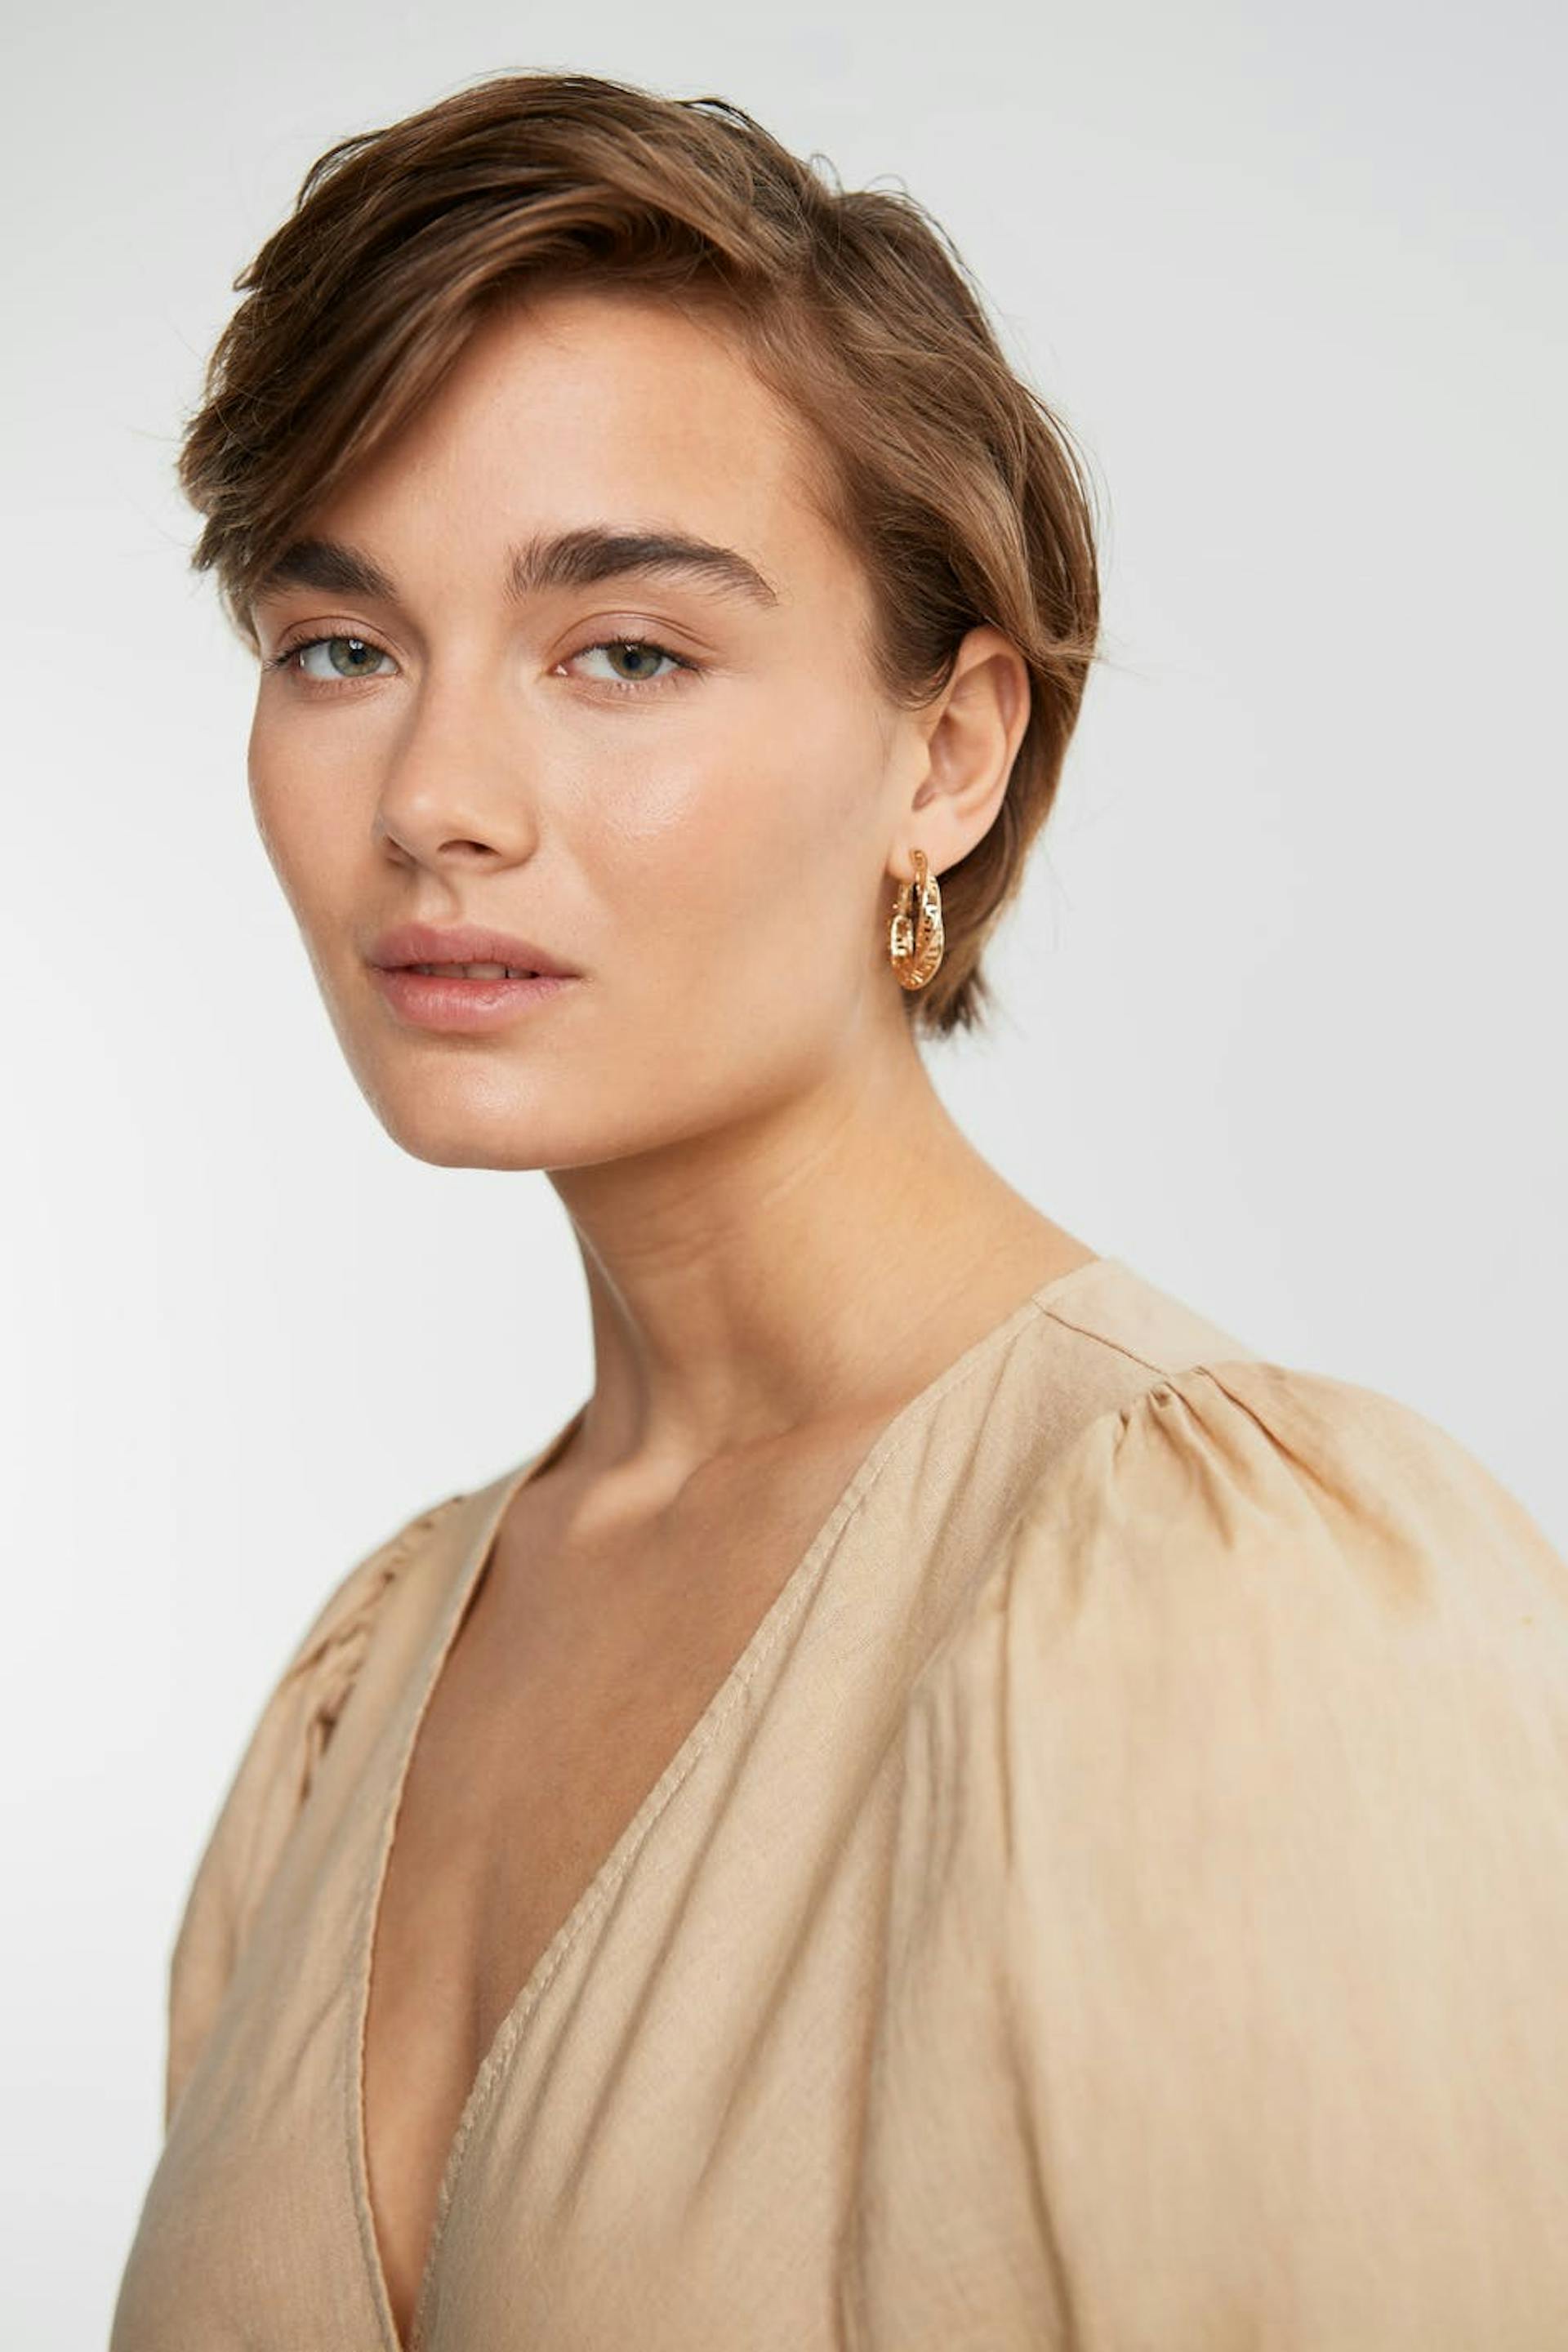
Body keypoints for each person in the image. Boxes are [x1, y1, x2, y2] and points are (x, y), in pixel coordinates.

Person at [109, 69, 1568, 2352]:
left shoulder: (1232, 1600)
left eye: (627, 652)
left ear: (949, 755)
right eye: (340, 646)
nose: (438, 798)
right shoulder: (360, 1690)